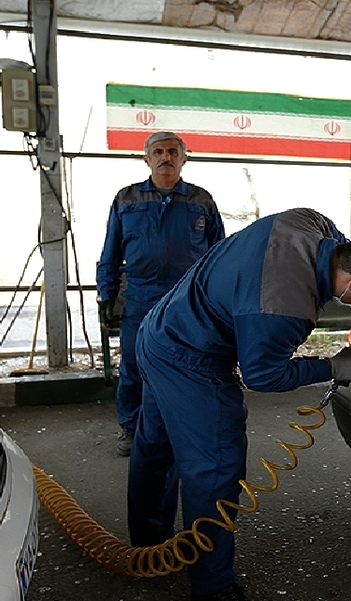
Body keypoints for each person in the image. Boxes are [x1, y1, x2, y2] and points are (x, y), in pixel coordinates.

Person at [128, 207, 351, 601]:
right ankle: (211, 587)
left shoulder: (308, 221)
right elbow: (264, 375)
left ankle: (149, 547)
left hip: (161, 327)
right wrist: (332, 367)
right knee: (214, 469)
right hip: (193, 359)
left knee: (155, 446)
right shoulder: (284, 307)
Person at [96, 131, 225, 457]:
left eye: (172, 151)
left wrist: (219, 300)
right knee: (135, 364)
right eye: (158, 151)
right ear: (147, 158)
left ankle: (185, 428)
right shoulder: (126, 199)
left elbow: (219, 256)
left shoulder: (201, 200)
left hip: (188, 299)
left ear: (183, 157)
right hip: (140, 296)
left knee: (191, 364)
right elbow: (110, 252)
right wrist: (105, 295)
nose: (165, 157)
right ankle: (132, 428)